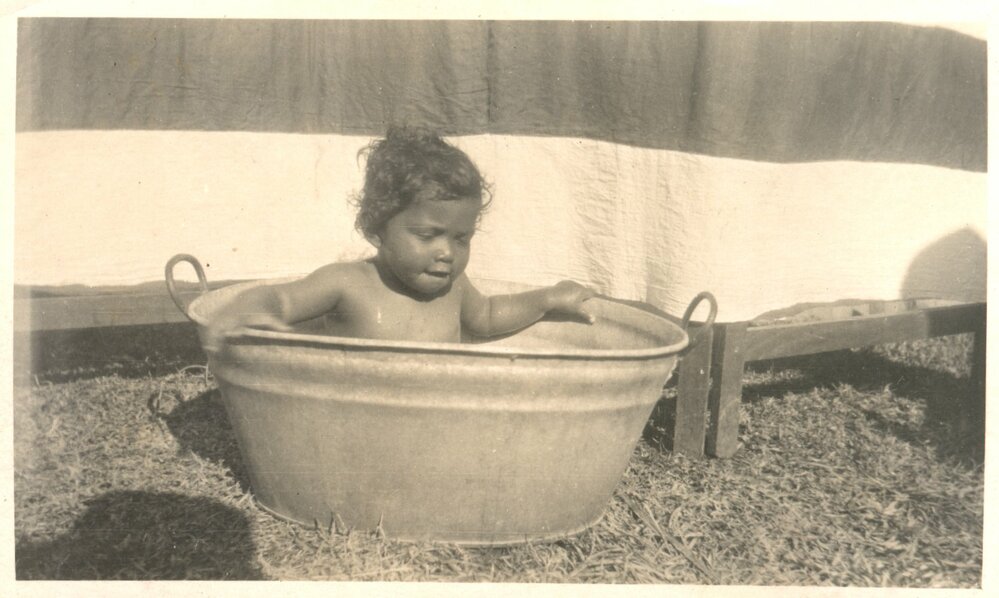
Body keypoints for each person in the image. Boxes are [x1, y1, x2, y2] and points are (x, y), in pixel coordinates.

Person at [204, 126, 594, 351]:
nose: (446, 253)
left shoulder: (453, 288)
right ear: (377, 229)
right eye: (428, 235)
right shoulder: (348, 283)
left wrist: (546, 298)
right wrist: (249, 311)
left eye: (462, 239)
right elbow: (281, 298)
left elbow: (489, 316)